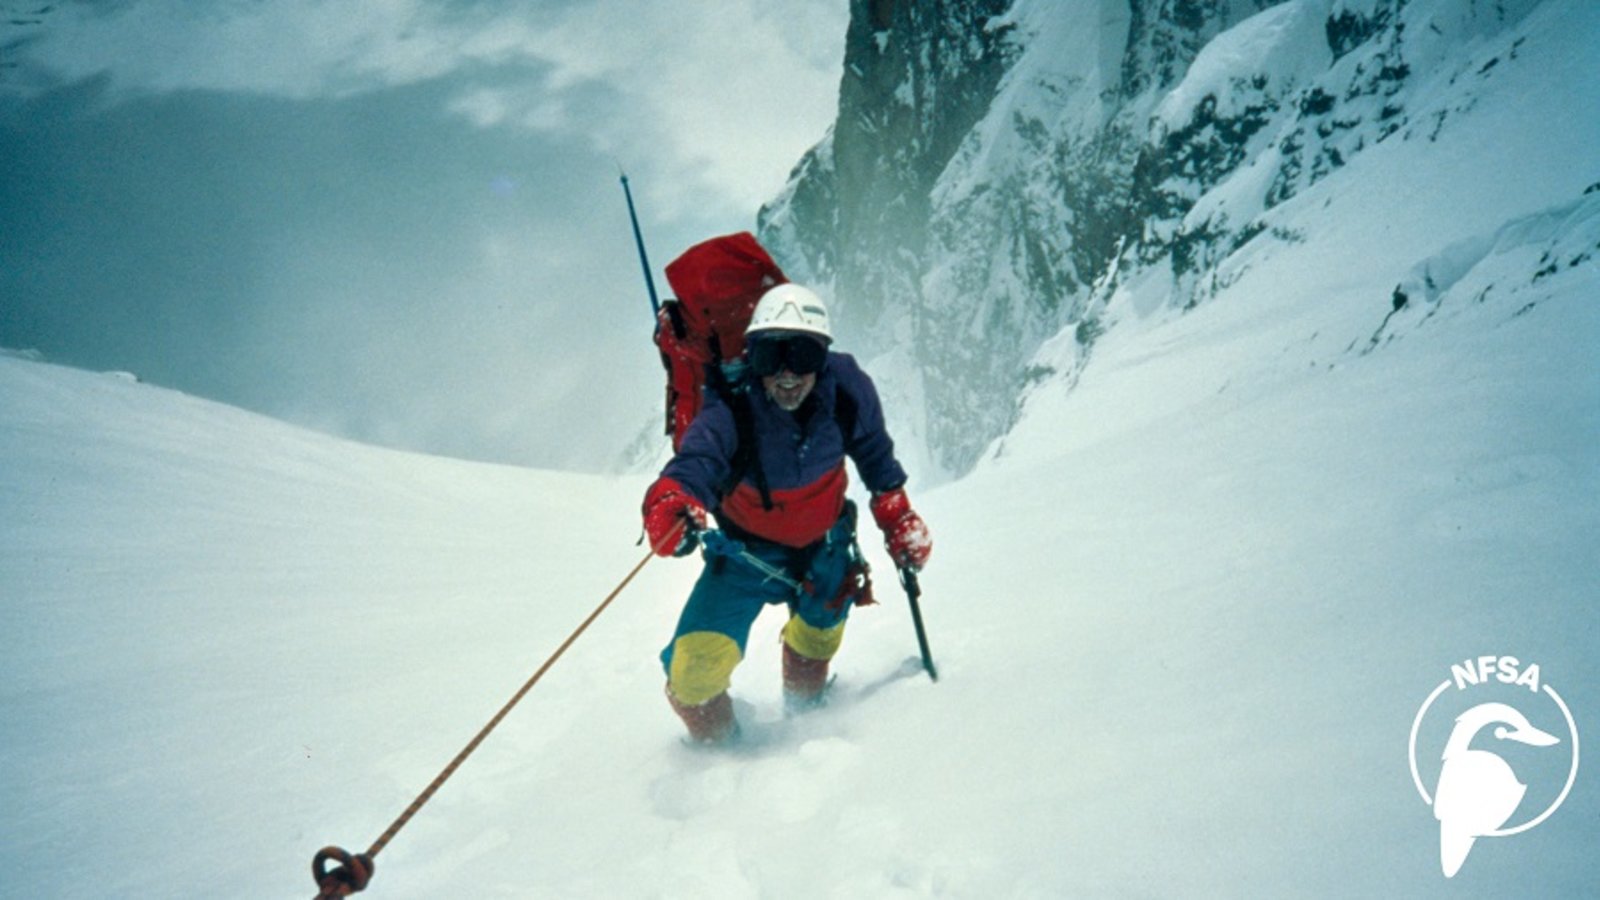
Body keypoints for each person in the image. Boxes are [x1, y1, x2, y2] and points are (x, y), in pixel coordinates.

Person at [640, 283, 932, 743]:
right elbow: (697, 460)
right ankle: (719, 755)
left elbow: (874, 454)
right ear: (751, 358)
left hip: (825, 548)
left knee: (818, 638)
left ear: (824, 357)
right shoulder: (731, 406)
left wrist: (898, 516)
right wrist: (670, 501)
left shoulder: (846, 389)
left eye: (803, 355)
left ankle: (806, 719)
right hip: (743, 556)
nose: (788, 374)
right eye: (770, 357)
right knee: (693, 673)